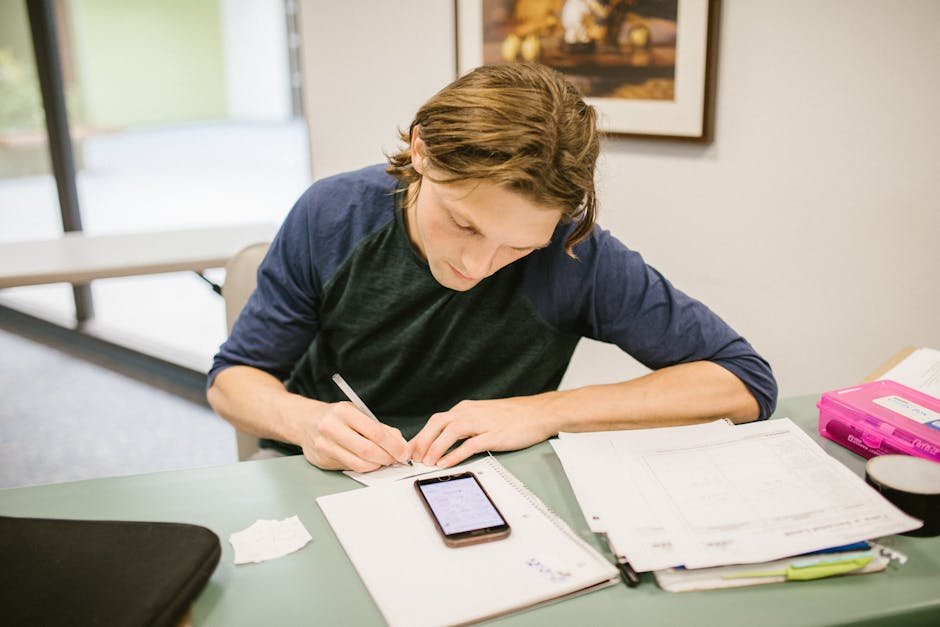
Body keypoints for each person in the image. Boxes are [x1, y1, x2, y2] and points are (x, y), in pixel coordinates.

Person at [207, 63, 777, 473]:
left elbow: (743, 382)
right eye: (464, 225)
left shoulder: (572, 251)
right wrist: (308, 423)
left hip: (492, 484)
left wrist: (547, 411)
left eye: (517, 247)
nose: (477, 266)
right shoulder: (330, 216)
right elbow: (233, 382)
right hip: (325, 476)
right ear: (421, 153)